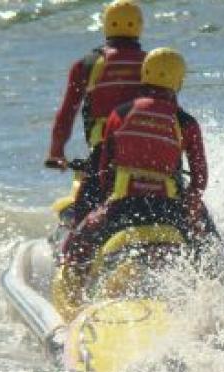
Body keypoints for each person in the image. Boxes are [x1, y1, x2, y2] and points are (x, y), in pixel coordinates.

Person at [60, 47, 216, 273]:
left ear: (144, 74)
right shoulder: (187, 123)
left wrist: (107, 203)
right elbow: (199, 179)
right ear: (178, 81)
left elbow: (105, 171)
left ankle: (74, 284)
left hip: (124, 208)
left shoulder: (120, 114)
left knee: (78, 244)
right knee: (209, 244)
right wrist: (190, 207)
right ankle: (219, 284)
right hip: (169, 211)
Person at [45, 0, 147, 225]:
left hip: (104, 153)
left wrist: (56, 153)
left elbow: (66, 114)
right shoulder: (153, 64)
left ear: (106, 25)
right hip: (150, 152)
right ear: (139, 26)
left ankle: (75, 256)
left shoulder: (87, 64)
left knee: (83, 216)